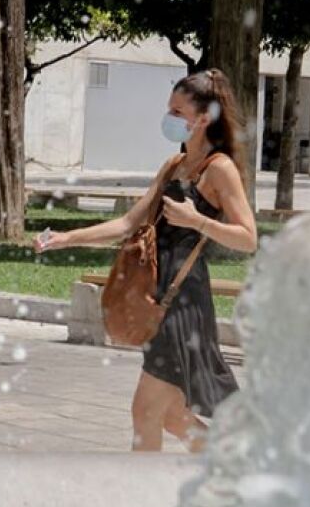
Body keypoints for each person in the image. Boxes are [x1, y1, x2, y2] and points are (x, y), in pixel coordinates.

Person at [34, 69, 256, 452]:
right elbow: (127, 222)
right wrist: (64, 238)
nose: (168, 117)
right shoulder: (174, 165)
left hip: (182, 301)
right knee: (169, 416)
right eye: (169, 108)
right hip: (157, 297)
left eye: (176, 110)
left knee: (145, 412)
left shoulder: (219, 169)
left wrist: (197, 220)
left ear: (203, 118)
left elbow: (249, 237)